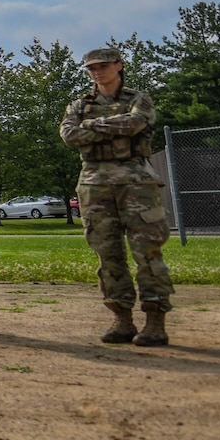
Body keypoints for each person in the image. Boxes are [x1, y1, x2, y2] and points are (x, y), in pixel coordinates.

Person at [61, 46, 173, 346]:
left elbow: (137, 122)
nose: (98, 72)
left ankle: (154, 320)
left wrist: (92, 127)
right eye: (91, 68)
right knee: (107, 255)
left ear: (119, 66)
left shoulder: (139, 99)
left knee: (147, 252)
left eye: (104, 66)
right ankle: (122, 319)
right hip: (94, 184)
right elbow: (70, 135)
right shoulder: (79, 105)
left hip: (136, 182)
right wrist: (112, 127)